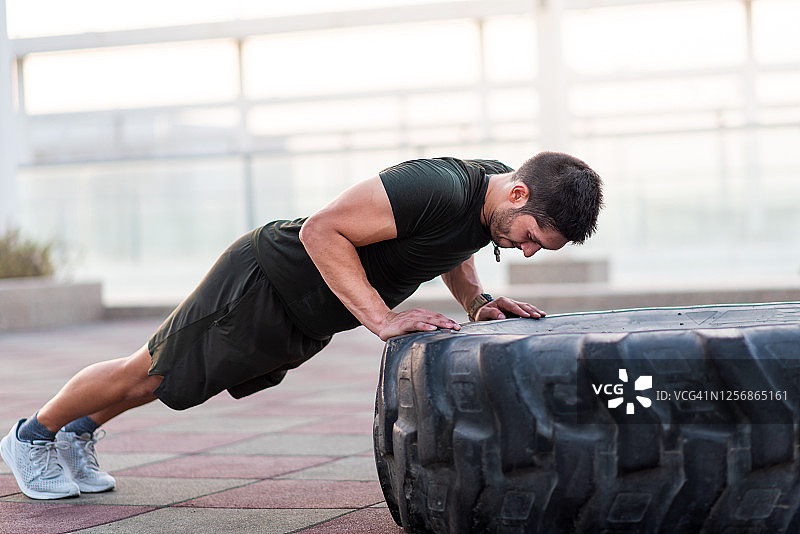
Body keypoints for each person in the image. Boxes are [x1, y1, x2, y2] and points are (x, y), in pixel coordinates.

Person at [1, 151, 603, 500]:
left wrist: (476, 302)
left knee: (179, 384)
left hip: (302, 312)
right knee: (150, 371)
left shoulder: (483, 203)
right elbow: (322, 230)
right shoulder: (437, 185)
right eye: (530, 238)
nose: (526, 251)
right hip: (265, 280)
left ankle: (75, 433)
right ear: (518, 194)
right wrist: (382, 318)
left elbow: (446, 247)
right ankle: (31, 436)